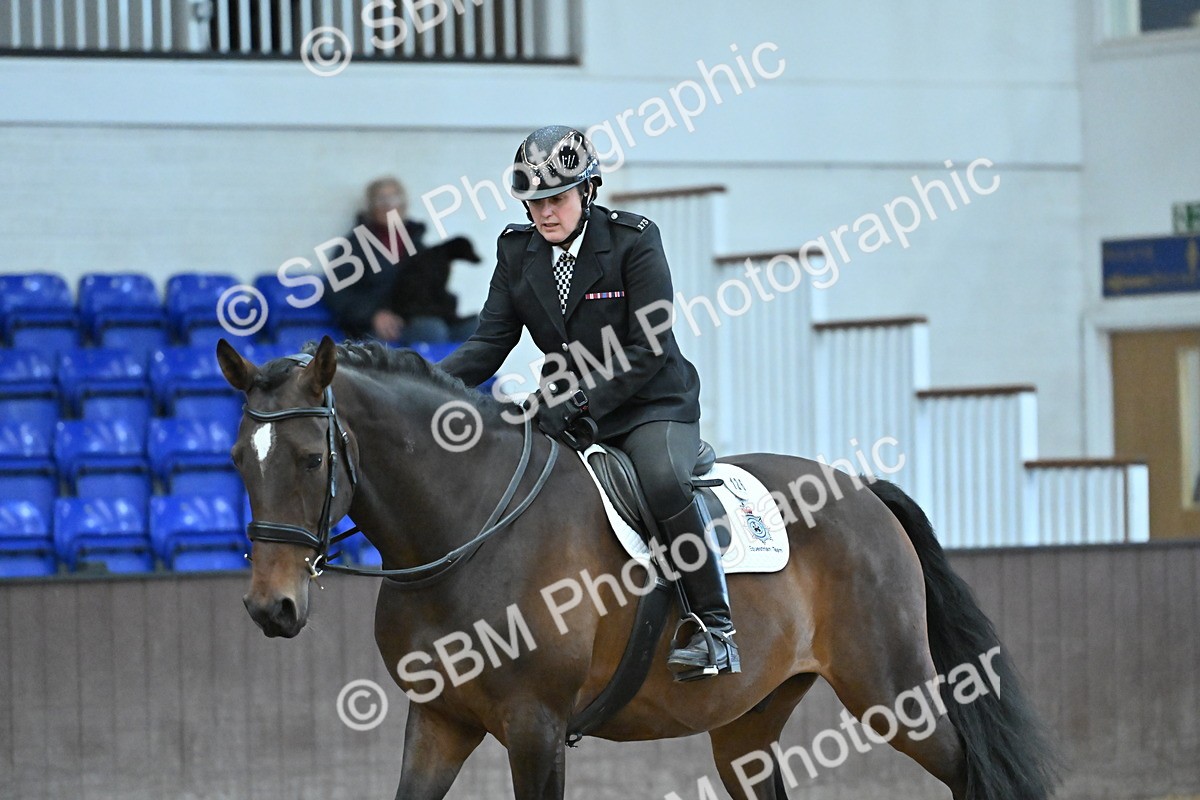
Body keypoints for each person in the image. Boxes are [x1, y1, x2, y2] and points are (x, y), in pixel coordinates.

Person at [439, 126, 739, 681]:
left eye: (557, 198)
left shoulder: (634, 240)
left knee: (662, 480)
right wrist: (429, 384)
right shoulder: (515, 249)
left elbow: (647, 347)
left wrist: (577, 398)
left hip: (653, 403)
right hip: (571, 408)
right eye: (535, 201)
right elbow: (489, 342)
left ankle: (715, 628)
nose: (545, 213)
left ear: (588, 190)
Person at [323, 176, 481, 344]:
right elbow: (336, 293)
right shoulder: (354, 247)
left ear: (403, 204)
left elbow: (428, 293)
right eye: (381, 199)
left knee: (478, 327)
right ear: (370, 206)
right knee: (431, 331)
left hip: (416, 319)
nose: (389, 204)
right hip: (376, 329)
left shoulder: (417, 245)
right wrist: (373, 315)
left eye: (394, 197)